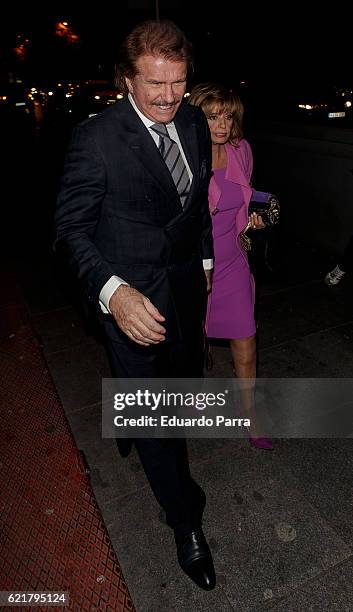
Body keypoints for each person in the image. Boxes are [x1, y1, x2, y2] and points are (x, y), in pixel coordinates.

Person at [54, 20, 216, 590]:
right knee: (158, 423)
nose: (169, 96)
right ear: (126, 80)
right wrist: (113, 291)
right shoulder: (96, 138)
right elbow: (69, 229)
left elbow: (194, 208)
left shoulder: (194, 120)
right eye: (155, 84)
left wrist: (205, 262)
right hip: (134, 305)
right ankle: (185, 521)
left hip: (186, 292)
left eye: (179, 82)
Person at [188, 82, 273, 450]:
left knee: (246, 337)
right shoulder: (185, 157)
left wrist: (262, 213)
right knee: (189, 341)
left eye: (227, 116)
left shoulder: (242, 150)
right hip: (193, 265)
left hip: (233, 260)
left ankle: (251, 416)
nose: (221, 125)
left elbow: (248, 193)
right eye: (211, 116)